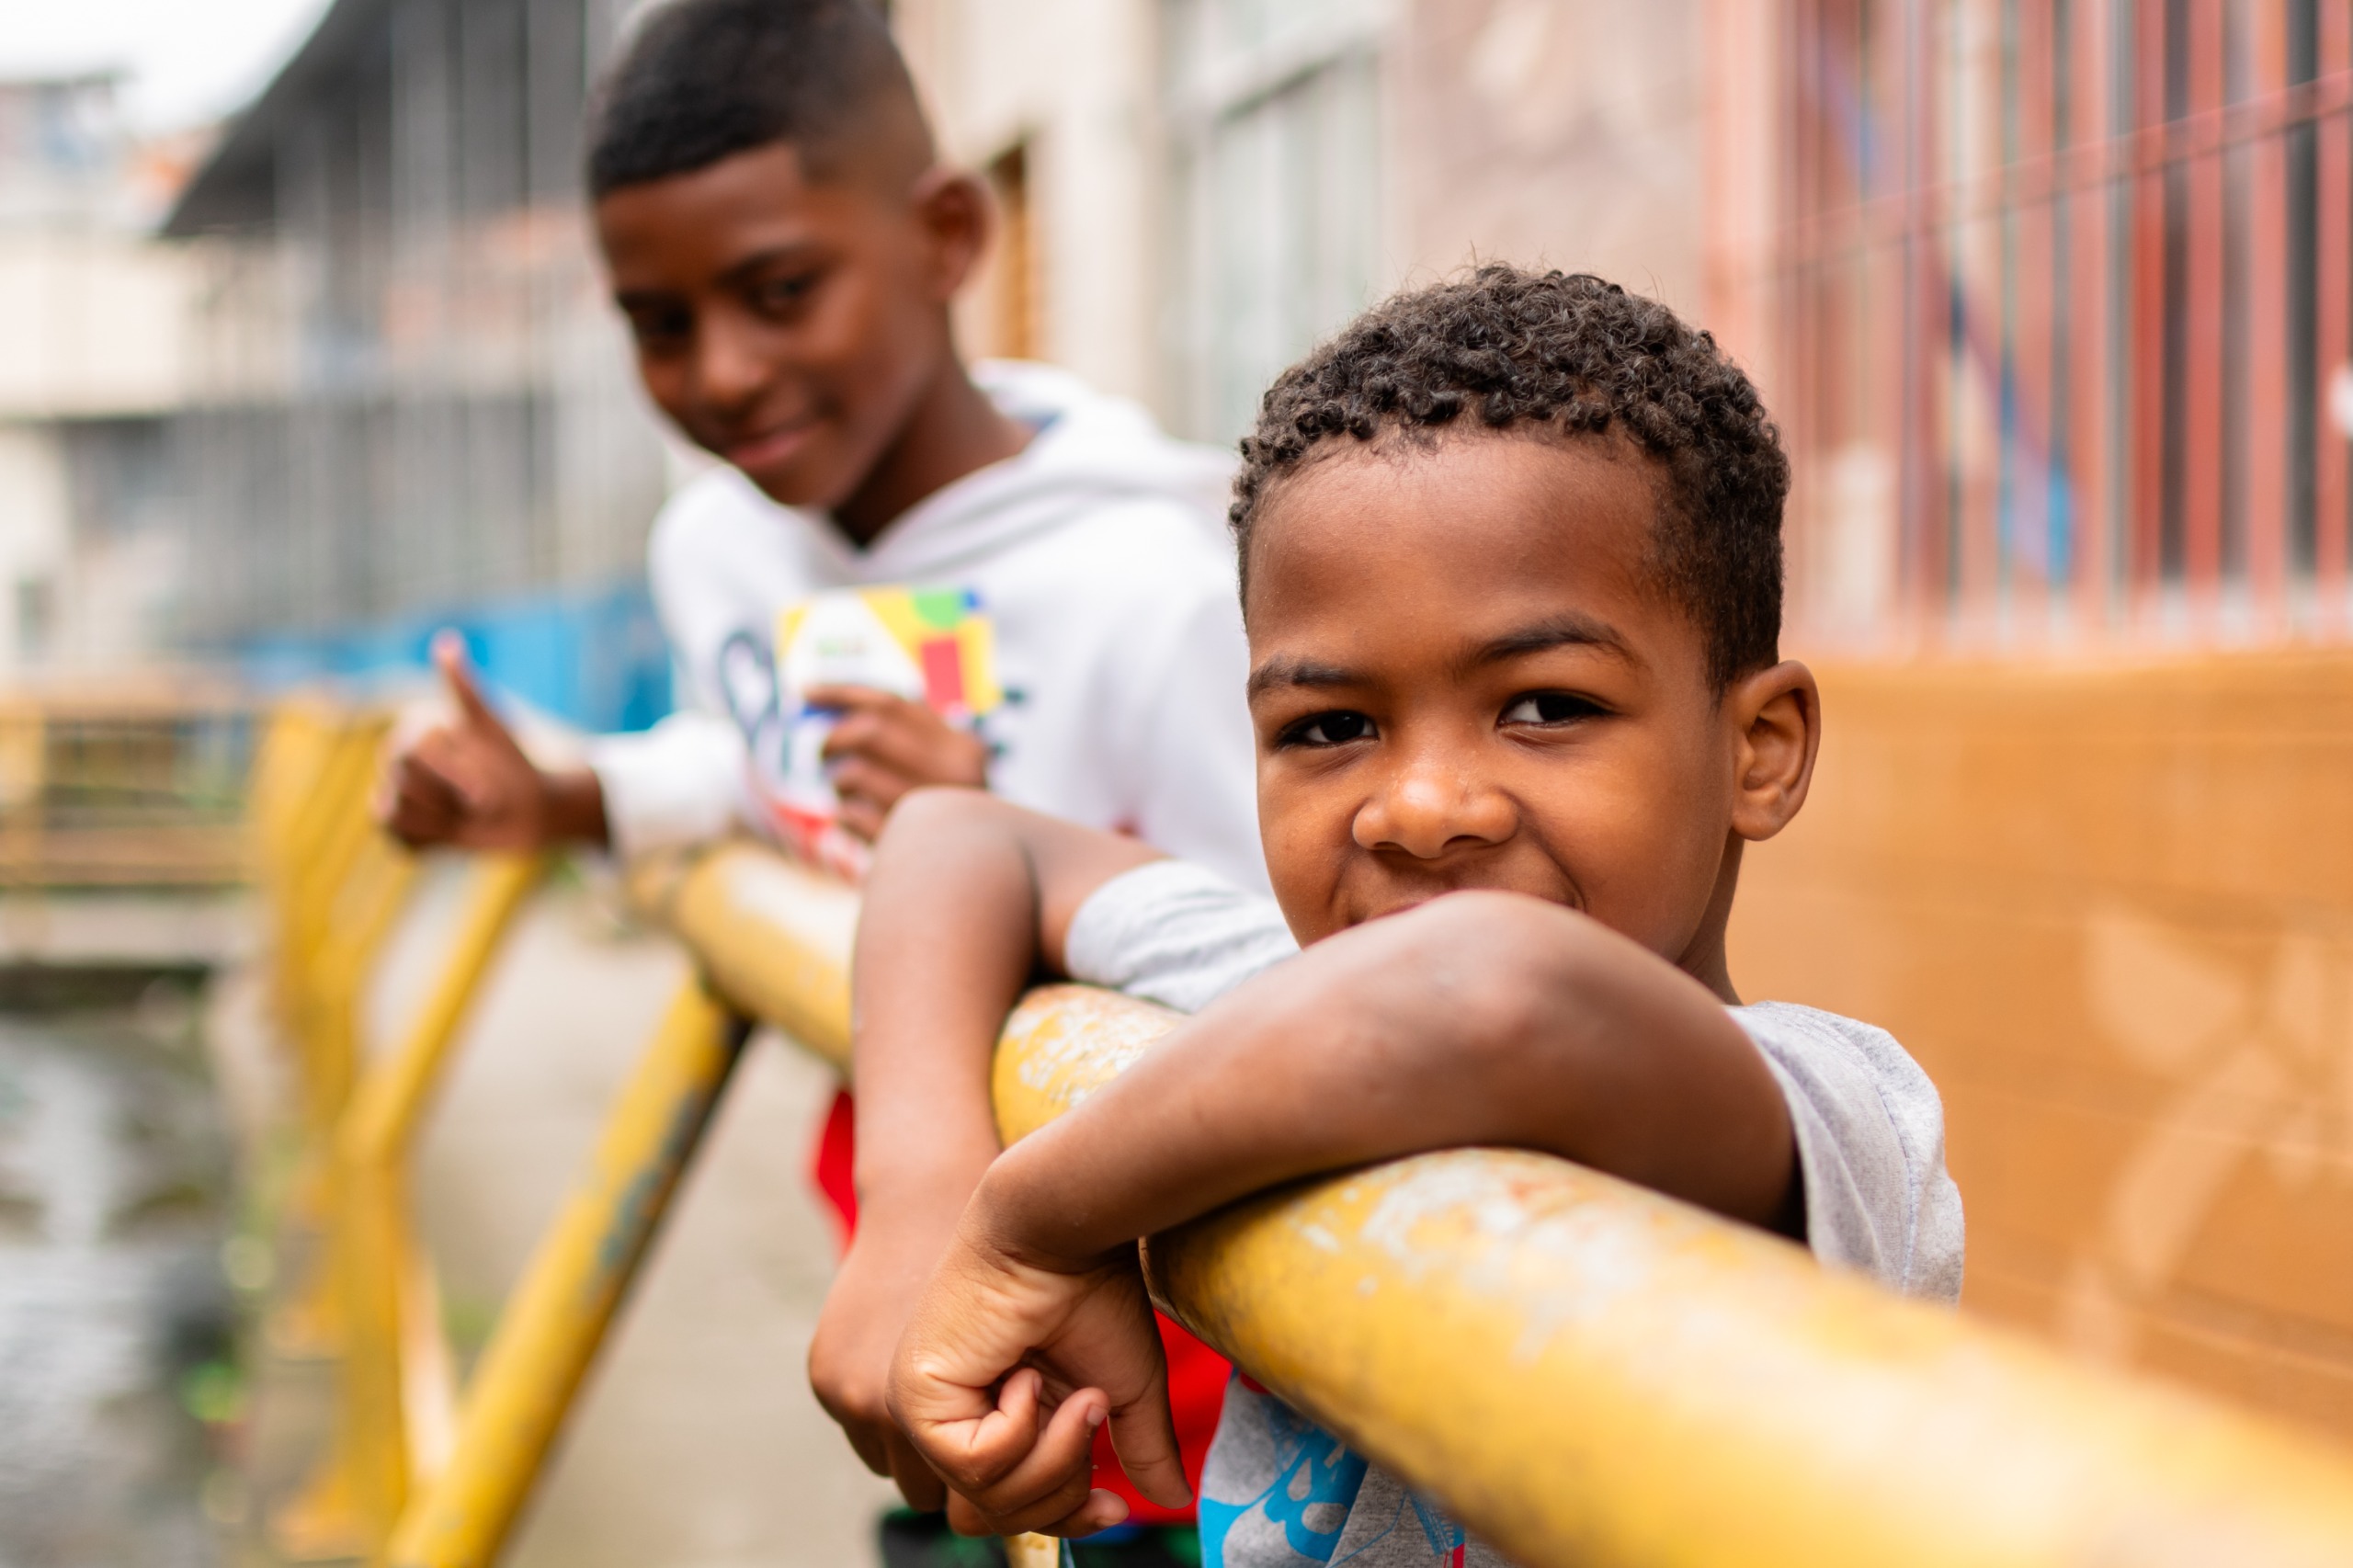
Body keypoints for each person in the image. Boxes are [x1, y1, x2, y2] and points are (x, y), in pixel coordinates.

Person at [854, 267, 1966, 1565]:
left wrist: (1030, 1222)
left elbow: (1495, 998)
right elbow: (961, 836)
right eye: (1331, 727)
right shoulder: (1294, 992)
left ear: (1759, 749)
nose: (1421, 808)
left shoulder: (1827, 1112)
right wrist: (919, 1203)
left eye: (1546, 704)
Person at [373, 1, 1257, 1559]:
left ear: (944, 234)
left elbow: (1283, 944)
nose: (724, 372)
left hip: (1184, 1385)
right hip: (931, 1325)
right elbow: (756, 758)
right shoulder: (721, 548)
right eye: (660, 322)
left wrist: (1008, 833)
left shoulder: (1158, 582)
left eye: (782, 291)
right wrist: (564, 797)